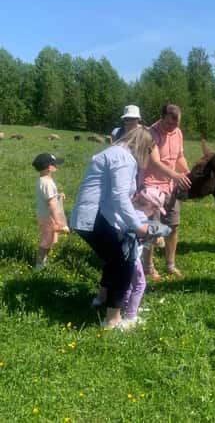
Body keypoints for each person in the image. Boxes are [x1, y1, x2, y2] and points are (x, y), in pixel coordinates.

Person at [70, 126, 155, 329]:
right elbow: (118, 198)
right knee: (123, 263)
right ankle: (112, 320)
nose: (150, 156)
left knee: (112, 259)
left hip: (91, 216)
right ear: (143, 146)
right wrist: (137, 226)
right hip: (94, 217)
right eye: (150, 151)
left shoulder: (115, 153)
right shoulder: (124, 158)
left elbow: (116, 196)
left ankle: (101, 300)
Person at [141, 104, 191, 280]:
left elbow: (179, 157)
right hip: (151, 187)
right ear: (162, 117)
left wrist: (186, 173)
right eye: (169, 123)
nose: (172, 127)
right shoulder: (150, 133)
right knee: (152, 229)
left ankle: (170, 265)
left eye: (176, 124)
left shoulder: (177, 133)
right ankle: (148, 267)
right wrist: (176, 176)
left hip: (170, 186)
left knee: (173, 226)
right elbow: (155, 162)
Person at [121, 187, 172, 328]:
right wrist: (156, 238)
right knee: (140, 284)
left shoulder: (130, 212)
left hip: (124, 255)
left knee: (129, 284)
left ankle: (127, 308)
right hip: (133, 258)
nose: (154, 213)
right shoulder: (141, 218)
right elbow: (143, 234)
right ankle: (130, 317)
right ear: (150, 206)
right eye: (155, 209)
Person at [32, 153, 70, 271]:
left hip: (44, 216)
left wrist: (57, 196)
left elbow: (47, 197)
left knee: (48, 241)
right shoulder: (48, 183)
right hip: (48, 218)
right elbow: (51, 203)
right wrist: (60, 223)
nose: (56, 166)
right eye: (54, 164)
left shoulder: (42, 180)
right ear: (49, 167)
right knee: (45, 242)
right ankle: (39, 267)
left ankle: (43, 263)